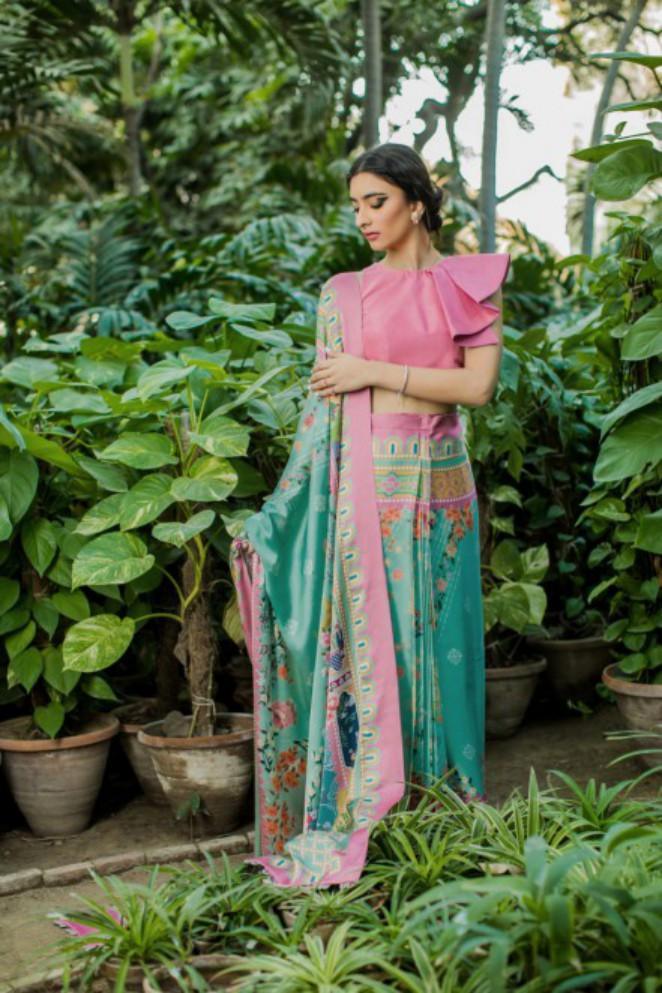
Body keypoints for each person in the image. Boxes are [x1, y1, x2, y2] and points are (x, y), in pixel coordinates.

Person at [230, 142, 510, 889]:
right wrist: (281, 514)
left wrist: (372, 371)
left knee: (443, 645)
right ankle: (374, 805)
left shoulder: (468, 282)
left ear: (417, 202)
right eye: (355, 204)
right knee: (377, 653)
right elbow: (319, 419)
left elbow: (477, 388)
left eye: (376, 201)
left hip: (444, 492)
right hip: (368, 491)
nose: (363, 217)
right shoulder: (344, 294)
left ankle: (444, 805)